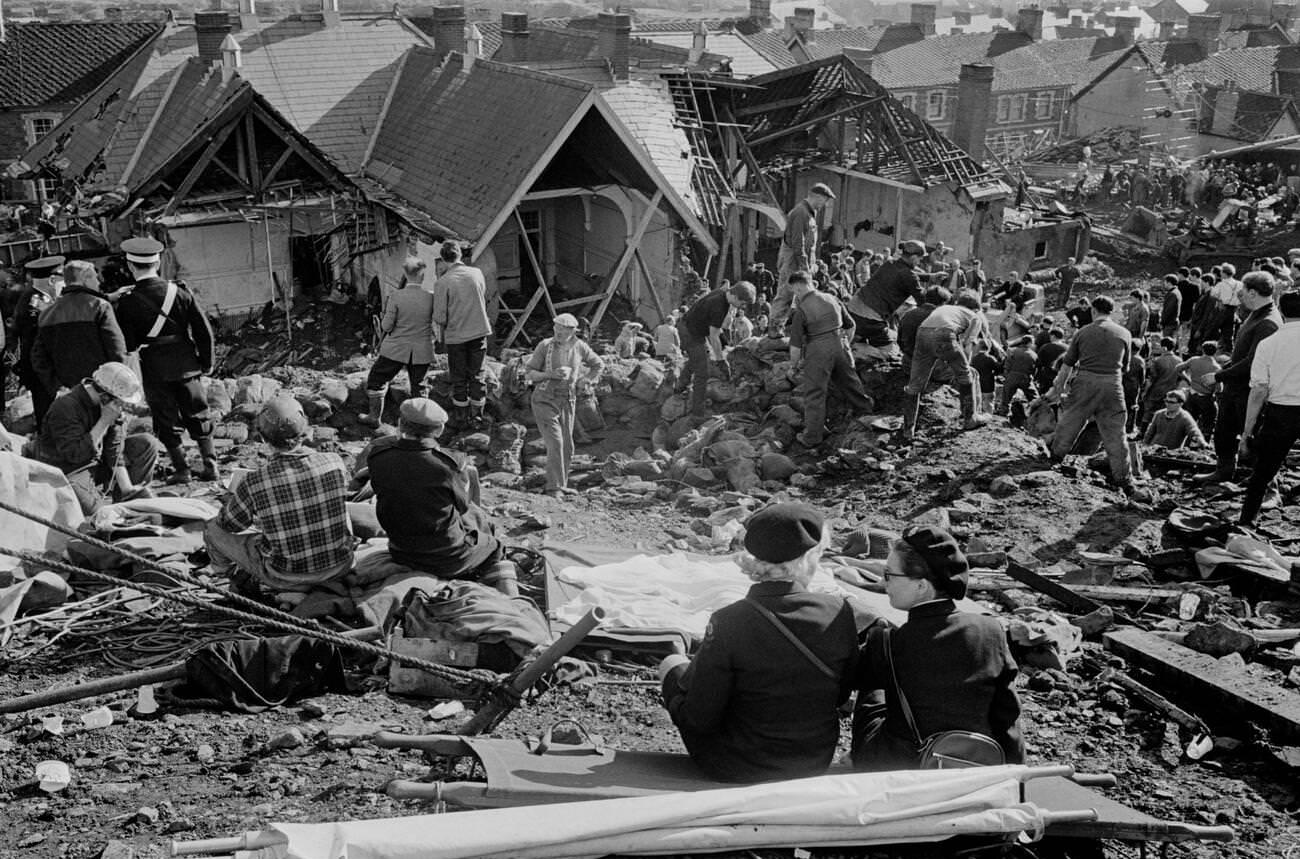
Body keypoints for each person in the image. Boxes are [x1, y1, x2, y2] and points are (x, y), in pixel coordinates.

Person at [658, 503, 859, 783]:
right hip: (812, 761)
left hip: (737, 765)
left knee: (672, 664)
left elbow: (699, 718)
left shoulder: (729, 620)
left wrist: (675, 696)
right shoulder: (838, 610)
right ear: (808, 557)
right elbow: (839, 694)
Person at [850, 525, 1023, 771]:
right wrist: (1012, 775)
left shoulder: (888, 641)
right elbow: (1007, 716)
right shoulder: (990, 630)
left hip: (903, 767)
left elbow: (846, 681)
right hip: (972, 760)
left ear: (921, 586)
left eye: (889, 574)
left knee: (873, 688)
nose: (883, 581)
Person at [366, 398, 518, 595]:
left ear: (400, 423)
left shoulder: (378, 454)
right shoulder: (448, 464)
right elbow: (462, 506)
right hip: (446, 557)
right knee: (495, 546)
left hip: (400, 550)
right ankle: (512, 604)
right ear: (438, 430)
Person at [204, 398, 354, 597]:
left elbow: (229, 525)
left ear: (264, 438)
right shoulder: (335, 461)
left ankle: (233, 579)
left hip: (286, 576)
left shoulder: (255, 480)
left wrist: (233, 501)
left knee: (212, 529)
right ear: (305, 430)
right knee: (342, 509)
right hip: (341, 566)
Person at [113, 237, 218, 484]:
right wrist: (207, 362)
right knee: (199, 413)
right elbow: (203, 330)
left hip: (154, 368)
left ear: (130, 267)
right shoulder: (180, 291)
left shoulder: (127, 302)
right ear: (158, 262)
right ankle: (211, 467)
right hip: (187, 364)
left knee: (165, 419)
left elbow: (128, 344)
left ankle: (182, 470)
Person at [26, 362, 157, 514]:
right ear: (105, 397)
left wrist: (127, 488)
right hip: (68, 470)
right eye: (120, 401)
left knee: (146, 444)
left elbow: (114, 448)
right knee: (101, 515)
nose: (122, 407)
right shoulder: (65, 407)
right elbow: (74, 455)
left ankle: (127, 500)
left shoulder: (110, 407)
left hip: (95, 462)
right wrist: (104, 421)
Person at [1040, 296, 1137, 493]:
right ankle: (1124, 480)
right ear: (1111, 311)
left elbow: (1066, 367)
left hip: (1085, 382)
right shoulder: (1125, 333)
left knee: (1070, 422)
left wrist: (1056, 390)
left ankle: (1054, 459)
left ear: (1093, 311)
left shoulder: (1083, 332)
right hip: (1113, 385)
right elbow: (1125, 367)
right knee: (1116, 434)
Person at [1197, 272, 1282, 485]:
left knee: (1253, 437)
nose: (1239, 295)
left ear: (1253, 292)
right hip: (1235, 388)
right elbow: (1240, 356)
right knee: (1224, 432)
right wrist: (1224, 370)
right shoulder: (1256, 314)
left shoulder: (1268, 322)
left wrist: (1219, 375)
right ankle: (1224, 471)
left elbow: (1252, 362)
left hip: (1250, 390)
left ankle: (1264, 484)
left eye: (1242, 291)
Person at [786, 271, 873, 447]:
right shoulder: (832, 298)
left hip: (818, 350)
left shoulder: (801, 310)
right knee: (849, 381)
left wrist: (793, 367)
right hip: (840, 343)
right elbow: (851, 326)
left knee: (815, 393)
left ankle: (812, 437)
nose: (795, 295)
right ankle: (866, 411)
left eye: (795, 292)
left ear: (798, 288)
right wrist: (844, 345)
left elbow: (795, 347)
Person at [1238, 291, 1300, 525]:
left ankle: (1246, 521)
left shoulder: (1269, 344)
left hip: (1280, 412)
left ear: (1282, 312)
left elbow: (1258, 391)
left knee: (1262, 473)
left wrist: (1247, 432)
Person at [525, 313, 603, 496]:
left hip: (568, 399)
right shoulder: (545, 346)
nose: (558, 331)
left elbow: (598, 364)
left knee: (568, 446)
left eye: (563, 328)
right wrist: (549, 375)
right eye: (557, 327)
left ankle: (562, 483)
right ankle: (554, 488)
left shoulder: (580, 346)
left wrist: (586, 381)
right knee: (555, 442)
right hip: (544, 398)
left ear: (572, 331)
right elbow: (529, 373)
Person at [30, 260, 126, 398]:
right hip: (102, 388)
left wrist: (57, 388)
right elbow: (117, 349)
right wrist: (120, 386)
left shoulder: (47, 313)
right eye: (94, 277)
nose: (98, 282)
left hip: (68, 392)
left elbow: (39, 358)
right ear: (85, 279)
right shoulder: (100, 306)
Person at [360, 256, 436, 428]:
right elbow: (437, 320)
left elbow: (386, 325)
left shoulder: (396, 296)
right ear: (423, 276)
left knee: (377, 379)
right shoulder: (431, 298)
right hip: (422, 350)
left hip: (396, 348)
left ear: (405, 275)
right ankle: (420, 426)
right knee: (419, 387)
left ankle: (374, 418)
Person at [901, 291, 988, 439]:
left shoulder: (945, 309)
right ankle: (970, 419)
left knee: (915, 385)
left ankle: (908, 429)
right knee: (966, 375)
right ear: (976, 308)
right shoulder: (974, 316)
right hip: (944, 334)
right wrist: (963, 368)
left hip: (922, 333)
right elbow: (968, 345)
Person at [432, 243, 492, 430]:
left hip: (456, 335)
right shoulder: (477, 273)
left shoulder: (443, 282)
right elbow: (483, 296)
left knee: (459, 376)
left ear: (443, 259)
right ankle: (477, 417)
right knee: (477, 374)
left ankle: (461, 417)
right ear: (460, 255)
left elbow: (440, 316)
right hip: (479, 330)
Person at [676, 281, 755, 417]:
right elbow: (714, 336)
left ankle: (679, 386)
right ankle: (698, 413)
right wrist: (720, 360)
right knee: (702, 373)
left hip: (692, 328)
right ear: (735, 297)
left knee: (700, 356)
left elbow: (715, 334)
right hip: (690, 332)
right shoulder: (720, 307)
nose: (743, 307)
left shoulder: (722, 292)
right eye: (742, 303)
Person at [771, 183, 835, 334]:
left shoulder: (809, 212)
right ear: (818, 197)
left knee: (802, 298)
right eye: (825, 200)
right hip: (794, 262)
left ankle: (796, 330)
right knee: (785, 295)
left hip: (800, 262)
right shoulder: (801, 212)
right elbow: (797, 243)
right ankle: (774, 330)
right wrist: (804, 266)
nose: (825, 204)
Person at [12, 255, 65, 428]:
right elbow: (36, 344)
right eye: (61, 277)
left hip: (42, 372)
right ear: (52, 280)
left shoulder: (35, 298)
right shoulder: (35, 304)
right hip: (42, 373)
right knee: (50, 417)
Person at [846, 240, 925, 347]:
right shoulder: (909, 276)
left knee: (861, 336)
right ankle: (859, 353)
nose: (919, 263)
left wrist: (930, 276)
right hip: (869, 320)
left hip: (852, 309)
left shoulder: (890, 263)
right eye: (920, 259)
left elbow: (906, 275)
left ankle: (855, 346)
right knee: (893, 348)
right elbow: (923, 302)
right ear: (914, 257)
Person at [896, 285, 946, 374]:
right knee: (970, 372)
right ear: (942, 303)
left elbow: (899, 341)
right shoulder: (942, 319)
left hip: (908, 364)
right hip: (930, 369)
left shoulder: (908, 314)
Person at [1177, 340, 1221, 437]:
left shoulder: (1194, 360)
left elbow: (1178, 368)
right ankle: (1204, 445)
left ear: (1202, 349)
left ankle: (1185, 443)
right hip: (1206, 397)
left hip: (1192, 394)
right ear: (1215, 351)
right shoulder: (1216, 368)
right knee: (1208, 422)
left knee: (1190, 421)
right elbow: (1219, 388)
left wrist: (1188, 380)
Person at [1143, 389, 1207, 449]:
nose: (1168, 404)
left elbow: (1193, 431)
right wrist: (1145, 446)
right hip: (1153, 449)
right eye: (1166, 401)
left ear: (1180, 404)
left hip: (1171, 453)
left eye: (1172, 402)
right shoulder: (1159, 414)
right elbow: (1149, 433)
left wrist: (1201, 441)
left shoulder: (1185, 417)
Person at [1139, 337, 1180, 428]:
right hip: (1170, 391)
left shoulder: (1158, 361)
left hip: (1156, 390)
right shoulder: (1179, 361)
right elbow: (1180, 377)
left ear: (1164, 348)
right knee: (1166, 412)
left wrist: (1145, 392)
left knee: (1148, 411)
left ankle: (1142, 432)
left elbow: (1151, 379)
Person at [998, 335, 1037, 415]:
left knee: (1006, 397)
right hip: (1025, 377)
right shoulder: (1034, 355)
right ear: (1029, 343)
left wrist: (1006, 375)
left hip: (1012, 376)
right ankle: (1036, 412)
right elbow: (1035, 369)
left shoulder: (1012, 351)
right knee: (1033, 397)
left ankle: (1003, 412)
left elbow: (1006, 364)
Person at [970, 340, 1001, 415]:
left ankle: (978, 416)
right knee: (989, 403)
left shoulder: (974, 358)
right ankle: (989, 417)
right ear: (988, 348)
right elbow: (998, 369)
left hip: (977, 385)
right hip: (988, 384)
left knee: (978, 402)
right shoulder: (990, 358)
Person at [1034, 328, 1067, 394]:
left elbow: (1038, 363)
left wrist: (1036, 377)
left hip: (1046, 376)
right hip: (1061, 376)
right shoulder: (1068, 348)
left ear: (1053, 336)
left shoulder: (1046, 347)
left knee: (1043, 395)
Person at [1160, 274, 1182, 340]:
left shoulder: (1172, 294)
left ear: (1169, 283)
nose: (1164, 284)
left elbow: (1168, 310)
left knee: (1167, 343)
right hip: (1173, 322)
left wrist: (1162, 322)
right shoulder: (1177, 292)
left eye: (1165, 282)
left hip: (1169, 324)